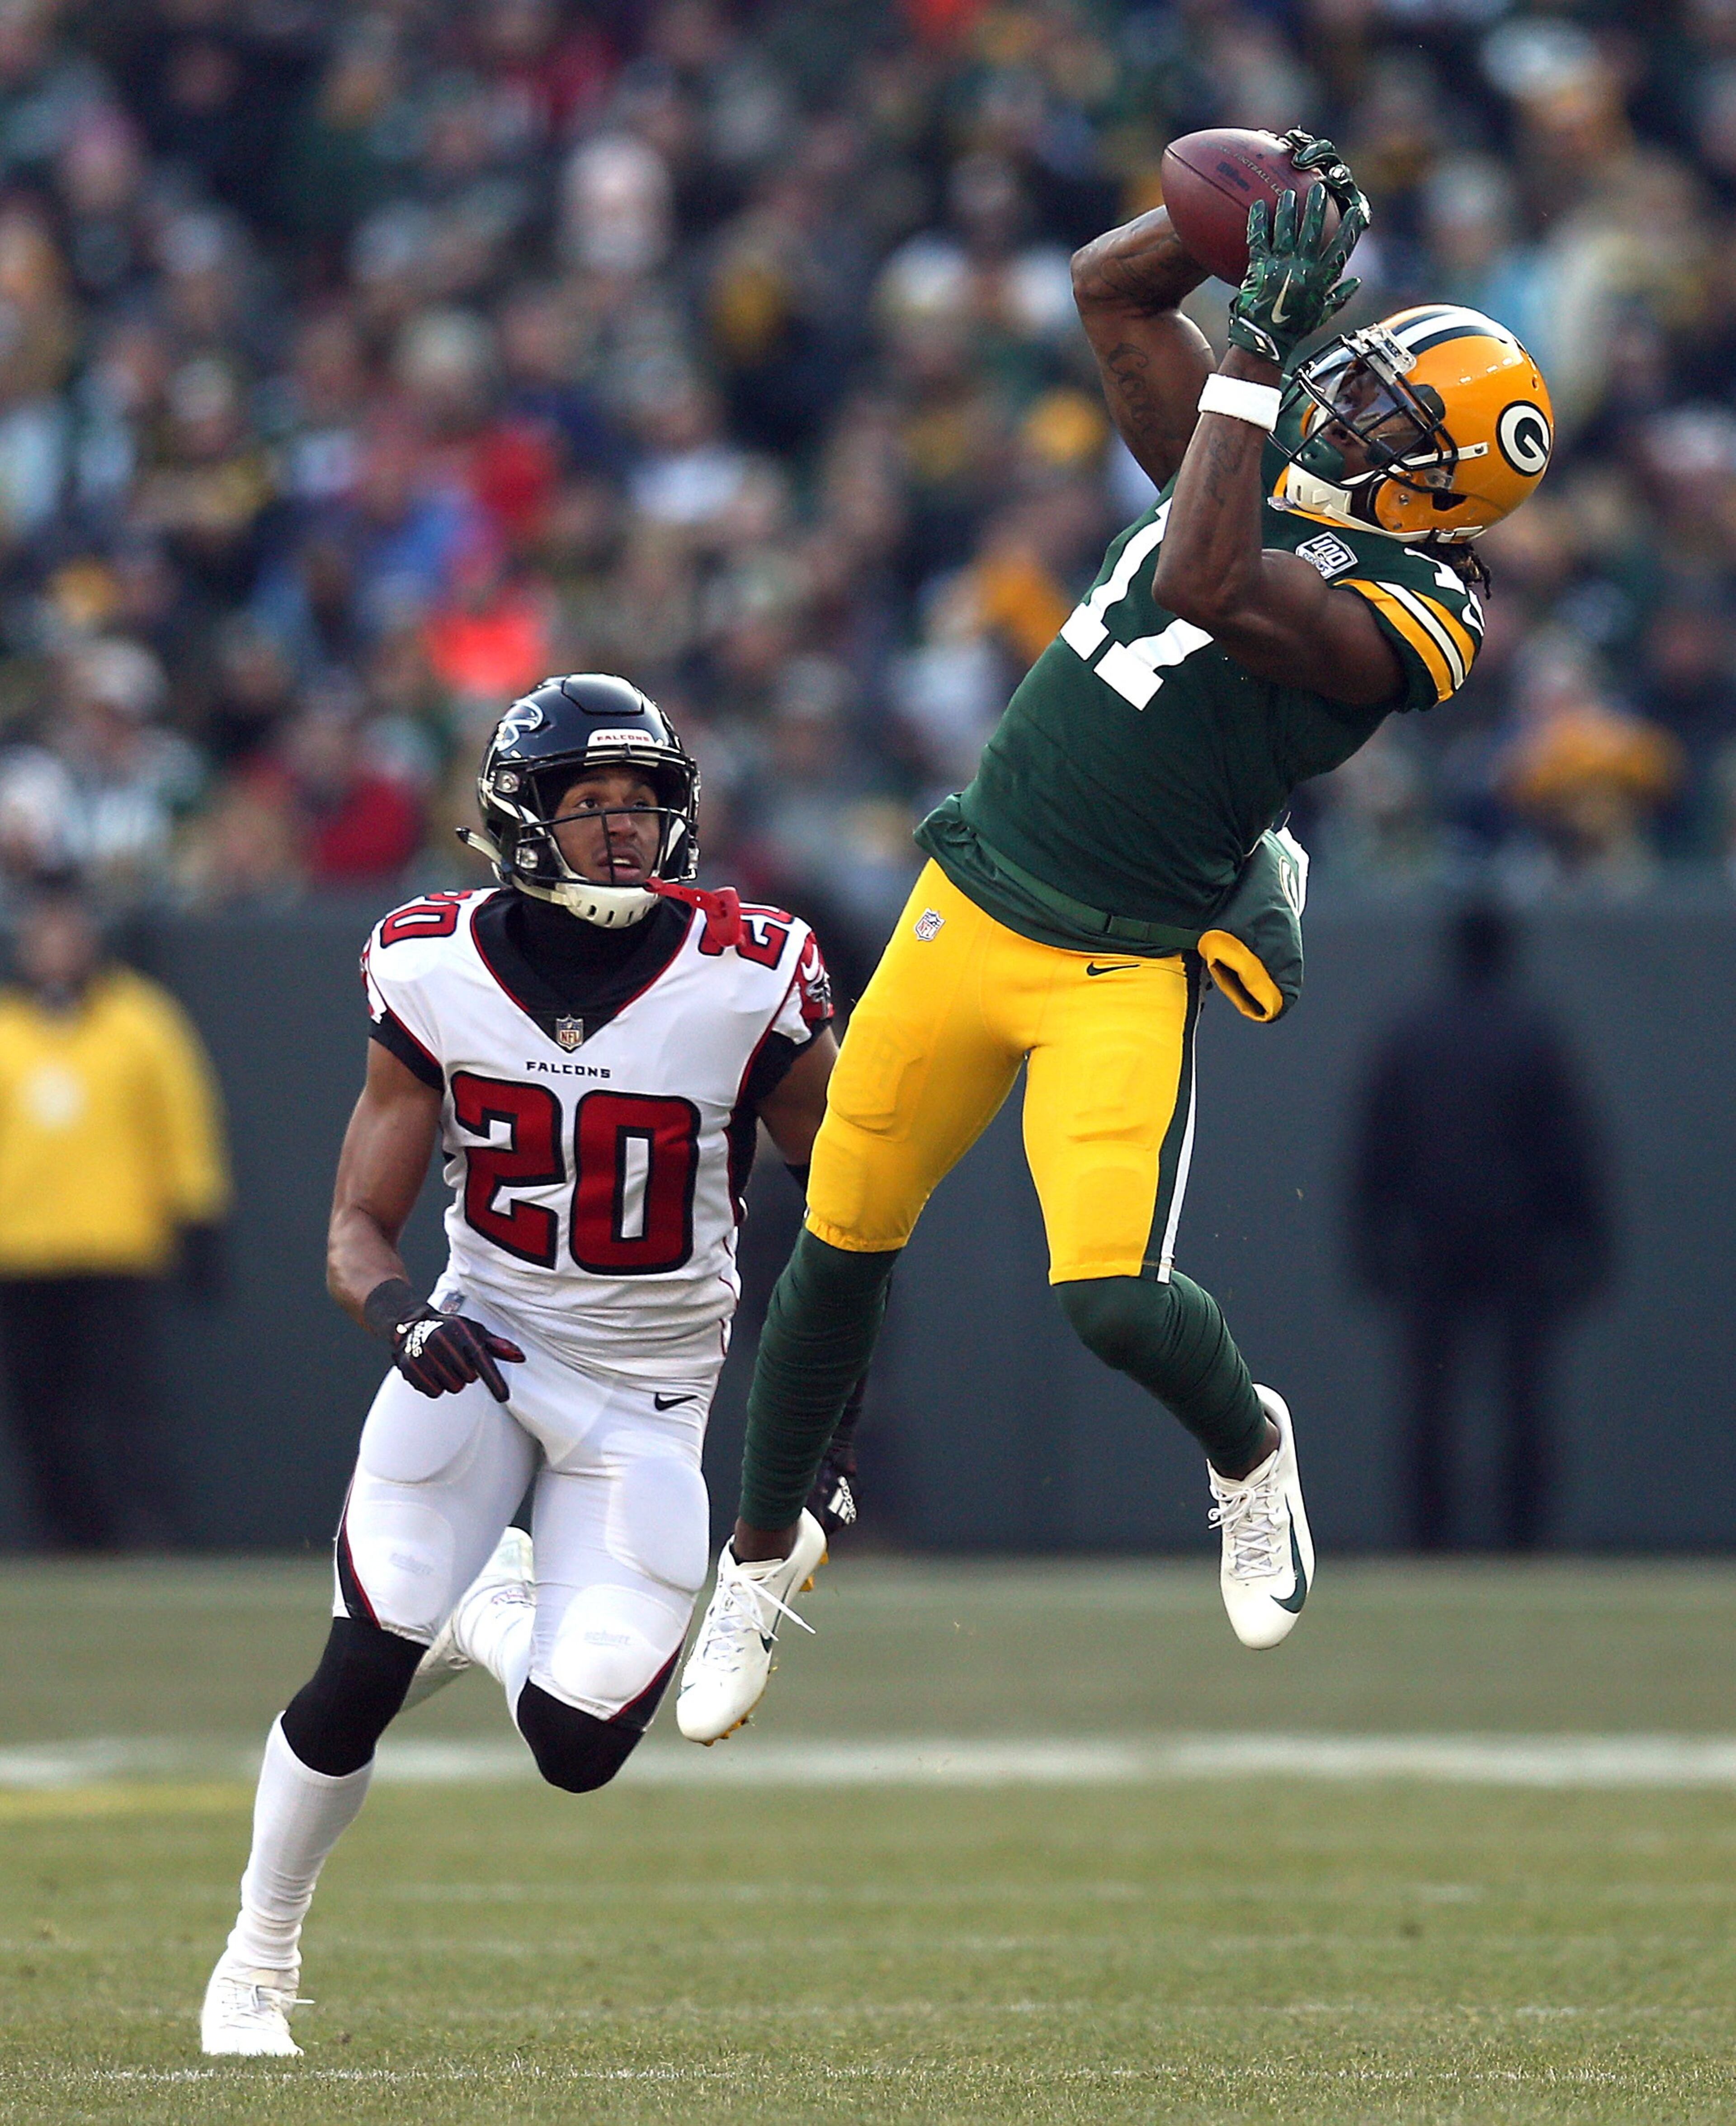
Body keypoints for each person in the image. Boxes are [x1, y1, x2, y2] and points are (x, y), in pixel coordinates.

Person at [676, 130, 1556, 1744]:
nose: (1344, 407)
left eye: (1386, 418)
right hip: (971, 891)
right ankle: (759, 1552)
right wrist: (1243, 225)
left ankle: (1250, 1451)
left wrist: (1261, 347)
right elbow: (1106, 291)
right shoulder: (1258, 436)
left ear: (1446, 490)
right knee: (836, 1241)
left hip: (1120, 955)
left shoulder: (1421, 615)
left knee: (1111, 1302)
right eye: (1355, 379)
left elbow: (1213, 579)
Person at [201, 674, 849, 2056]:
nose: (623, 827)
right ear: (518, 819)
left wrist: (824, 1435)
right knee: (361, 1668)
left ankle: (492, 1609)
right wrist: (400, 1319)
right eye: (590, 801)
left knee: (579, 1747)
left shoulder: (751, 971)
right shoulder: (432, 963)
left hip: (651, 1396)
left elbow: (854, 1220)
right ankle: (257, 1961)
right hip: (484, 1354)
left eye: (642, 801)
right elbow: (355, 1231)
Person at [1349, 901, 1612, 1549]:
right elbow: (1569, 1151)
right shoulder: (1534, 1036)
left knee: (1429, 1399)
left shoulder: (1414, 1036)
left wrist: (1370, 1243)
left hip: (1431, 1240)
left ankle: (1428, 1538)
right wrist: (1588, 1242)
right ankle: (1524, 1538)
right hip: (1517, 1238)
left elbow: (1377, 1150)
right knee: (1524, 1396)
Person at [0, 884, 229, 1549]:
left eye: (67, 934)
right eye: (42, 936)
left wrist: (198, 1213)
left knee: (126, 1402)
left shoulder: (141, 1021)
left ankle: (143, 1532)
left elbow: (182, 1122)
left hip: (117, 1246)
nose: (55, 949)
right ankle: (65, 1534)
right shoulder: (8, 1029)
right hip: (22, 1250)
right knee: (39, 1407)